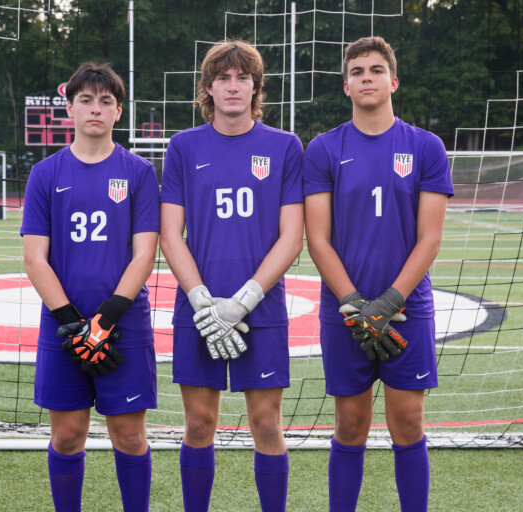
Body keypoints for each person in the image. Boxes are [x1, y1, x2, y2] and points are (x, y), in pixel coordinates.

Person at [303, 36, 453, 512]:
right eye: (357, 71)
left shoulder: (425, 146)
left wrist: (388, 303)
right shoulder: (324, 149)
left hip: (407, 310)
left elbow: (429, 238)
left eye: (375, 70)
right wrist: (355, 305)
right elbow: (317, 240)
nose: (366, 77)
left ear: (393, 80)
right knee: (350, 425)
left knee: (407, 422)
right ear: (345, 85)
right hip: (344, 311)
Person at [159, 39, 304, 512]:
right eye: (224, 78)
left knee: (265, 424)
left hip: (260, 308)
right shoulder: (182, 147)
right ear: (208, 88)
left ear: (256, 86)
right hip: (196, 309)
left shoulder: (285, 146)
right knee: (199, 423)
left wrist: (241, 301)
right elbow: (170, 234)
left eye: (244, 77)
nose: (234, 86)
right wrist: (203, 300)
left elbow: (291, 238)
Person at [21, 62, 160, 512]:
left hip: (125, 327)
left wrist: (103, 323)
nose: (95, 109)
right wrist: (73, 326)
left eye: (105, 101)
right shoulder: (45, 174)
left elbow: (145, 254)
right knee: (66, 435)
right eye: (86, 100)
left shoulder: (139, 172)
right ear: (70, 108)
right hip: (63, 328)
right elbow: (34, 258)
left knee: (130, 435)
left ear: (119, 110)